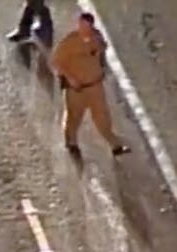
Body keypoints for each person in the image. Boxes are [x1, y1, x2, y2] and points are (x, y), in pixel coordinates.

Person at [50, 12, 129, 158]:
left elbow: (101, 50)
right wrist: (70, 78)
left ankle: (115, 145)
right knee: (74, 117)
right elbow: (56, 62)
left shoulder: (96, 38)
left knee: (102, 116)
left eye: (87, 26)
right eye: (82, 25)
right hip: (77, 89)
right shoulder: (69, 42)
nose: (84, 28)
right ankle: (71, 142)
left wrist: (102, 66)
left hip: (95, 86)